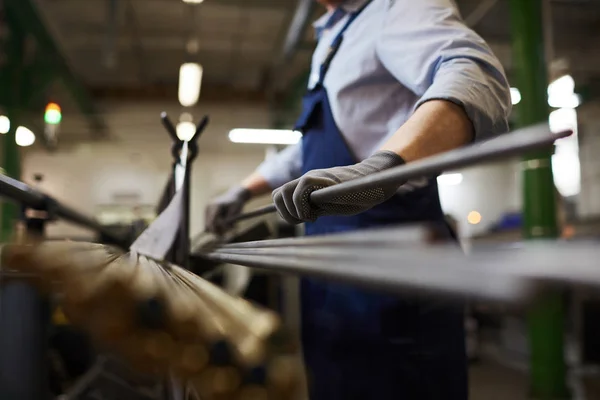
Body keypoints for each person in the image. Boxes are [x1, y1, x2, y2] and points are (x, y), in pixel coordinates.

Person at [205, 0, 511, 398]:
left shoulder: (399, 8)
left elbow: (475, 75)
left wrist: (383, 169)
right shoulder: (331, 39)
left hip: (395, 272)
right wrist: (243, 190)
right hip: (331, 279)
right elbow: (306, 150)